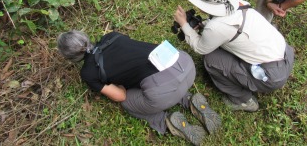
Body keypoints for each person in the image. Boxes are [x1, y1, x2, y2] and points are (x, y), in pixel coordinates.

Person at [57, 30, 221, 145]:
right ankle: (191, 99)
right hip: (184, 62)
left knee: (128, 102)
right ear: (85, 37)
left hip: (162, 89)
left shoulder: (88, 72)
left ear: (71, 57)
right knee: (161, 78)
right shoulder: (112, 36)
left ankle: (166, 120)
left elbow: (120, 96)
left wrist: (119, 84)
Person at [173, 0, 294, 111]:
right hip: (286, 54)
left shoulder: (216, 28)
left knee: (212, 59)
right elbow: (226, 29)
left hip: (270, 76)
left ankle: (243, 100)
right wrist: (202, 25)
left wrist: (184, 24)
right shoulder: (239, 4)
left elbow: (200, 48)